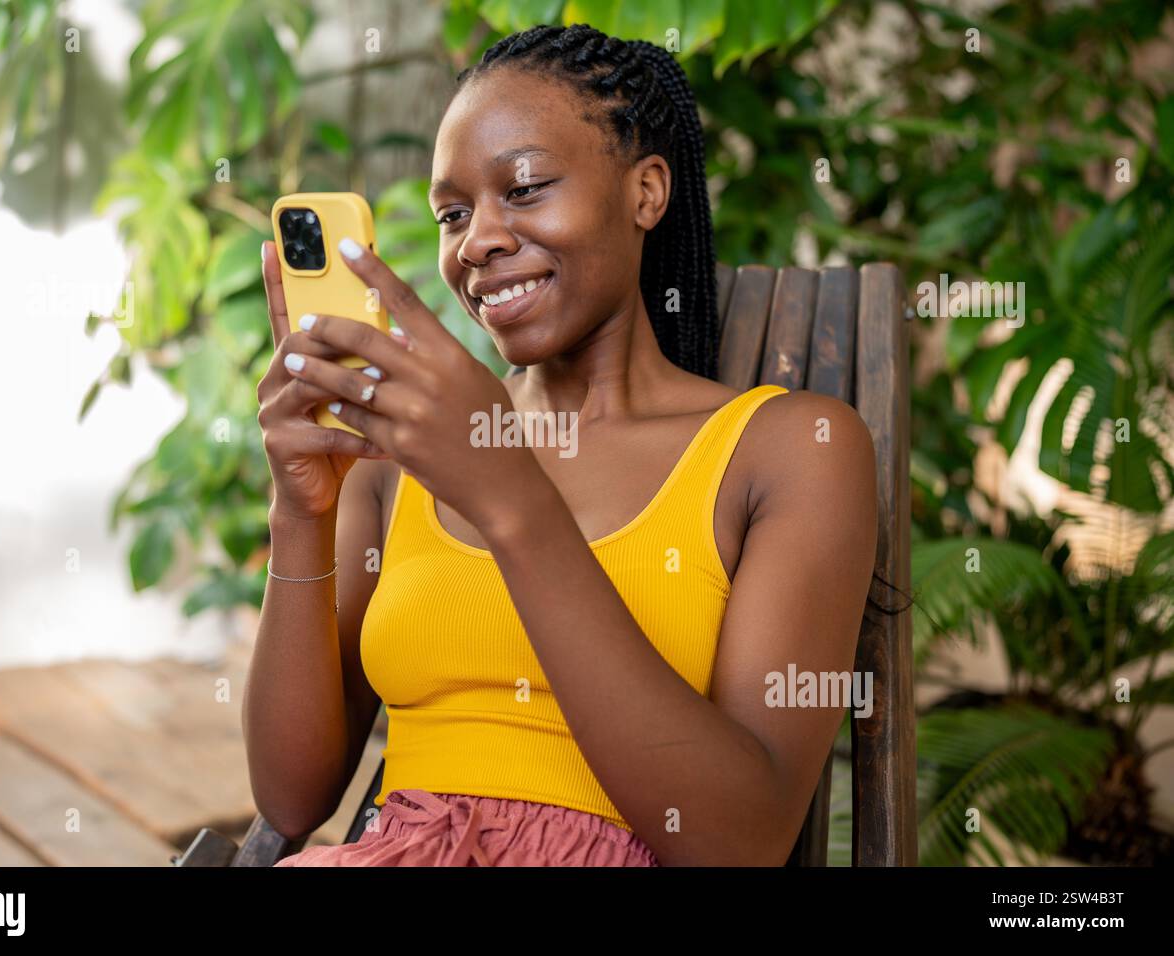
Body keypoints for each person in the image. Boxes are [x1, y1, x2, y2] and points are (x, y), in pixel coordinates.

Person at [245, 23, 878, 867]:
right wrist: (301, 510)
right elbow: (290, 799)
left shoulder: (792, 451)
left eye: (528, 188)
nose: (478, 241)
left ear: (646, 192)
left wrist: (511, 496)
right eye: (454, 214)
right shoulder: (399, 462)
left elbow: (744, 839)